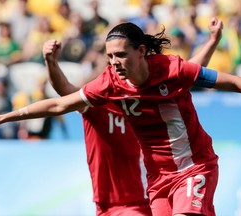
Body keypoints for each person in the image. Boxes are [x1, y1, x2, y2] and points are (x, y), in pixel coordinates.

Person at [0, 18, 241, 216]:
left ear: (142, 51)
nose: (115, 63)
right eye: (110, 57)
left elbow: (231, 81)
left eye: (121, 55)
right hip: (157, 181)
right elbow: (59, 103)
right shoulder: (108, 87)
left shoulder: (170, 70)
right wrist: (4, 117)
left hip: (193, 167)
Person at [42, 18, 223, 216]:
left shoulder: (146, 100)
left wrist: (212, 42)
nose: (115, 67)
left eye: (120, 57)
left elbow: (187, 73)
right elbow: (65, 94)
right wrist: (51, 62)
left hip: (149, 197)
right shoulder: (98, 106)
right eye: (110, 60)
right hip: (112, 205)